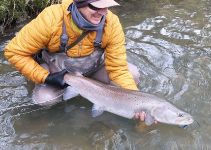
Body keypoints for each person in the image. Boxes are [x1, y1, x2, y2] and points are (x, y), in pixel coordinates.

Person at [4, 0, 148, 122]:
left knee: (132, 74)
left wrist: (136, 103)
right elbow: (14, 52)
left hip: (93, 71)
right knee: (44, 99)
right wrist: (46, 77)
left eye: (107, 6)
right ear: (79, 3)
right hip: (57, 74)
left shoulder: (112, 23)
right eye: (96, 7)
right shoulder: (51, 18)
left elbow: (118, 69)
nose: (103, 12)